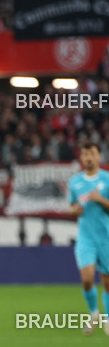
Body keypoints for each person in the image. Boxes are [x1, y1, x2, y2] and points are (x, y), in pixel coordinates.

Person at [67, 141, 109, 335]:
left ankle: (107, 319)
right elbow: (71, 207)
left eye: (92, 153)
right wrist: (74, 210)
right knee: (87, 279)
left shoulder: (107, 179)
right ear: (81, 157)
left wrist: (101, 200)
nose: (88, 157)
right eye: (85, 154)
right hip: (86, 238)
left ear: (99, 156)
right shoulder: (75, 182)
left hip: (106, 237)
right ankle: (94, 313)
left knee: (107, 283)